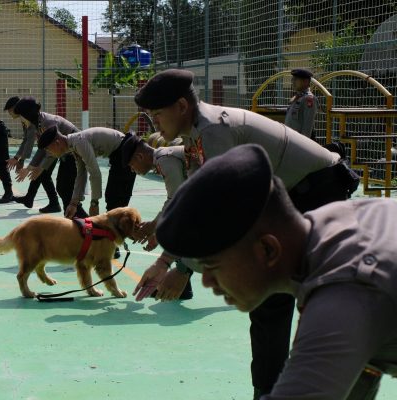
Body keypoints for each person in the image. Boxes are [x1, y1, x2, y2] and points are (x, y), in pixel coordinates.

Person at [134, 68, 360, 398]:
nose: (154, 124)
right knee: (273, 296)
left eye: (157, 115)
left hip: (317, 191)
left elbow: (220, 209)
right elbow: (199, 197)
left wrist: (180, 267)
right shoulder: (197, 132)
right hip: (292, 194)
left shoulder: (214, 131)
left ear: (181, 106)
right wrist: (165, 260)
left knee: (278, 295)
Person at [156, 143, 396, 400]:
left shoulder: (343, 294)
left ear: (268, 250)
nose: (208, 282)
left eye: (212, 266)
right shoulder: (334, 223)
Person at [121, 137, 198, 301]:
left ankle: (181, 278)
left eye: (131, 165)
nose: (133, 170)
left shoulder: (165, 159)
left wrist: (154, 226)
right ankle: (183, 285)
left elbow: (175, 199)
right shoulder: (164, 160)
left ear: (140, 157)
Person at [36, 126, 136, 219]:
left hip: (126, 152)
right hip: (119, 155)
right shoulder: (73, 144)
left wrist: (94, 203)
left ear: (57, 143)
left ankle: (135, 231)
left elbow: (95, 173)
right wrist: (73, 203)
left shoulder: (79, 142)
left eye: (48, 149)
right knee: (113, 204)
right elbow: (81, 173)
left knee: (115, 203)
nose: (49, 153)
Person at [12, 98, 87, 218]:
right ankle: (75, 219)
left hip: (76, 152)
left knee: (65, 188)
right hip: (66, 154)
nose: (20, 119)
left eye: (21, 116)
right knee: (63, 188)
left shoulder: (48, 123)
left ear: (27, 115)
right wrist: (30, 167)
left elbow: (52, 149)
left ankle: (82, 221)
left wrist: (40, 168)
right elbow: (43, 148)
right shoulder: (38, 124)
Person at [3, 97, 60, 213]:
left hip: (60, 148)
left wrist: (22, 161)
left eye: (10, 110)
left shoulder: (35, 120)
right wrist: (21, 160)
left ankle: (54, 204)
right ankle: (30, 198)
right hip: (52, 148)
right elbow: (30, 141)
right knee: (40, 173)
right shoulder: (29, 120)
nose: (9, 113)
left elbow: (30, 141)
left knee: (43, 174)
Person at [284, 68, 316, 139]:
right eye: (292, 79)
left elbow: (307, 126)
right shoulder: (297, 97)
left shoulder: (308, 98)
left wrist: (303, 145)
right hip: (291, 140)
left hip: (300, 143)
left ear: (305, 81)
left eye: (296, 79)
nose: (292, 81)